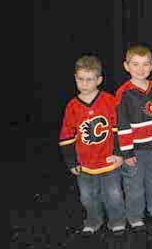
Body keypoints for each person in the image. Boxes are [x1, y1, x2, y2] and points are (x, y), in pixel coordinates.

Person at [59, 55, 126, 234]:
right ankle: (93, 219)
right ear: (75, 78)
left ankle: (117, 220)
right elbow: (67, 136)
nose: (84, 84)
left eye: (89, 80)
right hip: (85, 163)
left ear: (99, 80)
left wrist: (120, 153)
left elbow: (119, 129)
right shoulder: (72, 106)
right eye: (80, 79)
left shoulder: (109, 101)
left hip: (109, 161)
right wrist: (71, 161)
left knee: (114, 195)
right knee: (88, 197)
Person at [116, 45, 152, 229]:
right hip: (135, 150)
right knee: (134, 185)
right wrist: (127, 152)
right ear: (126, 66)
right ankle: (134, 216)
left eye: (145, 64)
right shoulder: (124, 93)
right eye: (136, 64)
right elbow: (122, 126)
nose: (141, 69)